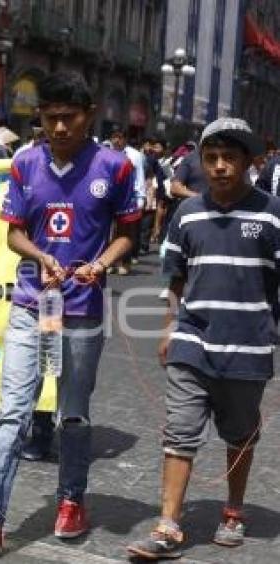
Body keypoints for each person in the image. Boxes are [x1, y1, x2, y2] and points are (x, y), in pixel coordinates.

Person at [0, 72, 140, 554]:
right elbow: (12, 233)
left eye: (68, 118)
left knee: (72, 415)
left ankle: (72, 499)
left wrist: (99, 264)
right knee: (13, 412)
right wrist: (39, 256)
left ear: (89, 114)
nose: (58, 128)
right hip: (32, 306)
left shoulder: (115, 167)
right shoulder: (24, 162)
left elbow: (127, 235)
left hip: (82, 311)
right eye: (50, 118)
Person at [126, 118, 275, 560]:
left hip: (248, 347)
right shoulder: (187, 215)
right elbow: (174, 275)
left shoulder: (272, 213)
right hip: (192, 341)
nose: (220, 167)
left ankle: (232, 511)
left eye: (230, 158)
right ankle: (168, 524)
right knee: (179, 432)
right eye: (211, 159)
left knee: (241, 434)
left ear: (249, 162)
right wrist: (170, 326)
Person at [108, 128, 146, 274]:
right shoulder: (105, 154)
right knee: (110, 232)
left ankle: (124, 262)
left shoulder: (135, 156)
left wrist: (141, 199)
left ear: (125, 140)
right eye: (114, 137)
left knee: (125, 232)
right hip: (110, 197)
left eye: (120, 137)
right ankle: (110, 262)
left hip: (129, 198)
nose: (117, 141)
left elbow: (140, 177)